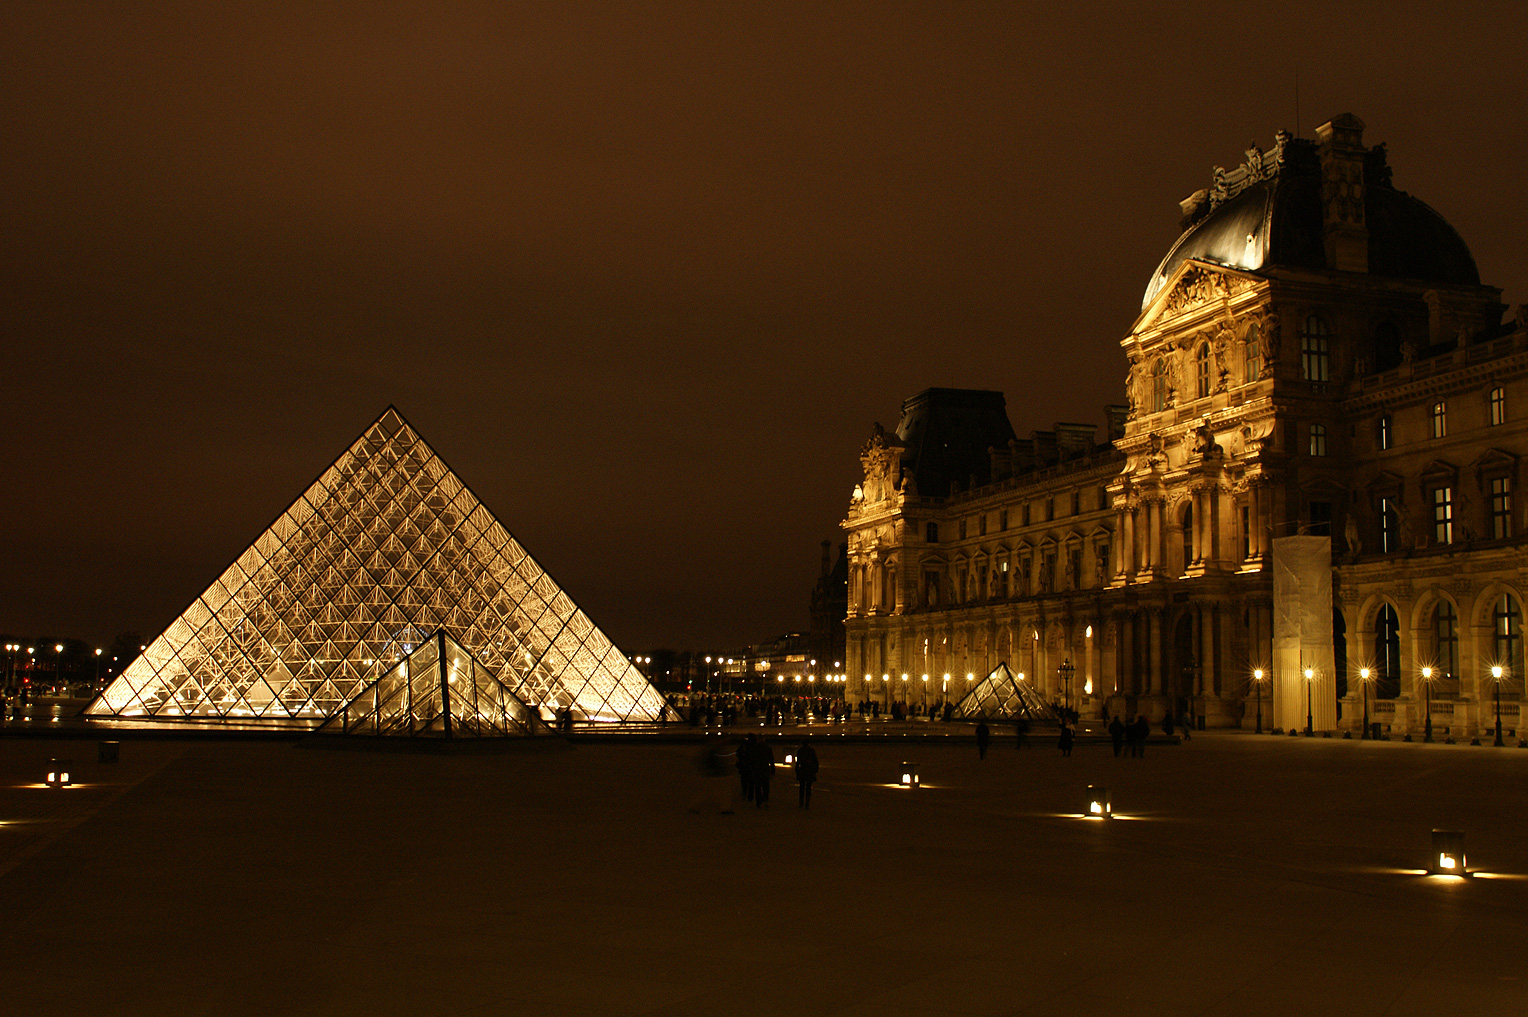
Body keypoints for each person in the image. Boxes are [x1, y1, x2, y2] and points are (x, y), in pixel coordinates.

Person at [795, 739, 819, 808]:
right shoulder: (811, 750)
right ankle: (807, 803)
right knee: (808, 788)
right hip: (809, 770)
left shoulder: (800, 751)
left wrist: (797, 770)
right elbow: (815, 760)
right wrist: (815, 769)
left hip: (802, 770)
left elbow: (798, 762)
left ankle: (801, 802)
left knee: (802, 787)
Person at [752, 737, 775, 807]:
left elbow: (752, 760)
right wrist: (772, 770)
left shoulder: (755, 749)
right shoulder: (767, 748)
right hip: (765, 769)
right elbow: (771, 760)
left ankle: (758, 801)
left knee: (758, 786)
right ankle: (765, 799)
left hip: (757, 769)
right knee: (765, 786)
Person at [736, 734, 756, 802]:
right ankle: (750, 796)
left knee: (744, 782)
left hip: (744, 767)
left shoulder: (743, 746)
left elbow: (738, 753)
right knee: (751, 783)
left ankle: (744, 794)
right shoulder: (754, 746)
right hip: (751, 767)